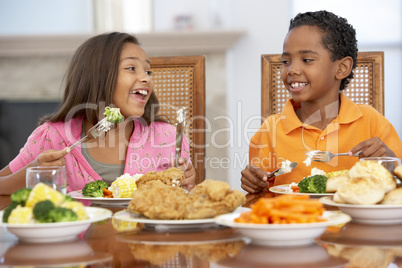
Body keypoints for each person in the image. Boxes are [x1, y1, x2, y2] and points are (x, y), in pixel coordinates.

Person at [0, 32, 196, 194]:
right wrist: (31, 173)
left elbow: (184, 200)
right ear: (97, 77)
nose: (145, 78)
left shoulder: (169, 137)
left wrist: (188, 183)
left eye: (148, 71)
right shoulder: (52, 137)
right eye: (131, 68)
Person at [241, 10, 402, 194]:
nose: (292, 69)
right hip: (293, 221)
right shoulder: (270, 131)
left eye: (307, 60)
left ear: (342, 68)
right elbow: (261, 194)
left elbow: (397, 186)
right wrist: (254, 183)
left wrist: (390, 163)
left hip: (356, 222)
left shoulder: (372, 122)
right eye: (286, 61)